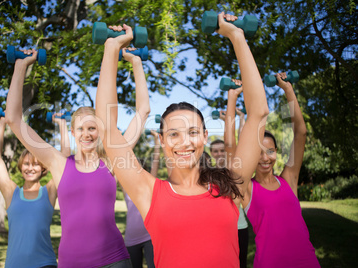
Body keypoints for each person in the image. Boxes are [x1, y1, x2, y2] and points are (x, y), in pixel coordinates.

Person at [95, 13, 269, 267]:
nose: (184, 142)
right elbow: (108, 128)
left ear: (205, 137)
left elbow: (258, 113)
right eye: (174, 134)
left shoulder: (230, 184)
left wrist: (236, 36)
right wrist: (111, 48)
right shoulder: (149, 193)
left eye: (193, 132)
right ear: (162, 141)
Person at [5, 45, 150, 267]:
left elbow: (143, 111)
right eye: (80, 129)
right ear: (72, 132)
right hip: (72, 262)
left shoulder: (112, 162)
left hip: (115, 260)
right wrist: (21, 65)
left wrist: (136, 63)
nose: (86, 134)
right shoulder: (58, 163)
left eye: (92, 128)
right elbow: (14, 119)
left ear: (100, 131)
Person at [242, 72, 321, 267]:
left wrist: (288, 89)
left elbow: (300, 132)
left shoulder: (289, 179)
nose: (265, 158)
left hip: (306, 260)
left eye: (270, 151)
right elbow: (234, 147)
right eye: (258, 152)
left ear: (276, 152)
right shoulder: (246, 189)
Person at [0, 117, 57, 268]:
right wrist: (1, 123)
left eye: (35, 164)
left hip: (45, 264)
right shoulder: (11, 192)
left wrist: (62, 126)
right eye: (26, 164)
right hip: (15, 264)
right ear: (21, 167)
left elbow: (63, 161)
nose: (30, 168)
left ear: (43, 169)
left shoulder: (49, 192)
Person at [213, 81, 249, 268]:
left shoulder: (234, 166)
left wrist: (239, 115)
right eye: (215, 151)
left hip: (239, 227)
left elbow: (234, 140)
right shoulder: (209, 173)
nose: (219, 154)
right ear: (211, 154)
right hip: (219, 229)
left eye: (222, 151)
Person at [123, 130, 159, 268]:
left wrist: (157, 140)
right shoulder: (126, 187)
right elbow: (120, 161)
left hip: (150, 237)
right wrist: (123, 142)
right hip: (131, 239)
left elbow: (156, 161)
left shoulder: (150, 186)